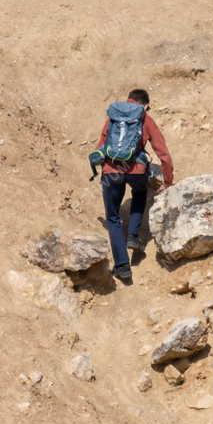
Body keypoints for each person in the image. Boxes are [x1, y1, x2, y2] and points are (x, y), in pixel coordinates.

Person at [92, 88, 173, 286]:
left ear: (129, 99)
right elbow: (162, 152)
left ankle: (123, 268)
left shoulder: (113, 115)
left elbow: (101, 145)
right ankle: (133, 237)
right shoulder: (144, 117)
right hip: (137, 170)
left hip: (111, 171)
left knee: (113, 218)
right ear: (145, 105)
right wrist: (168, 181)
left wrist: (106, 169)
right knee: (140, 193)